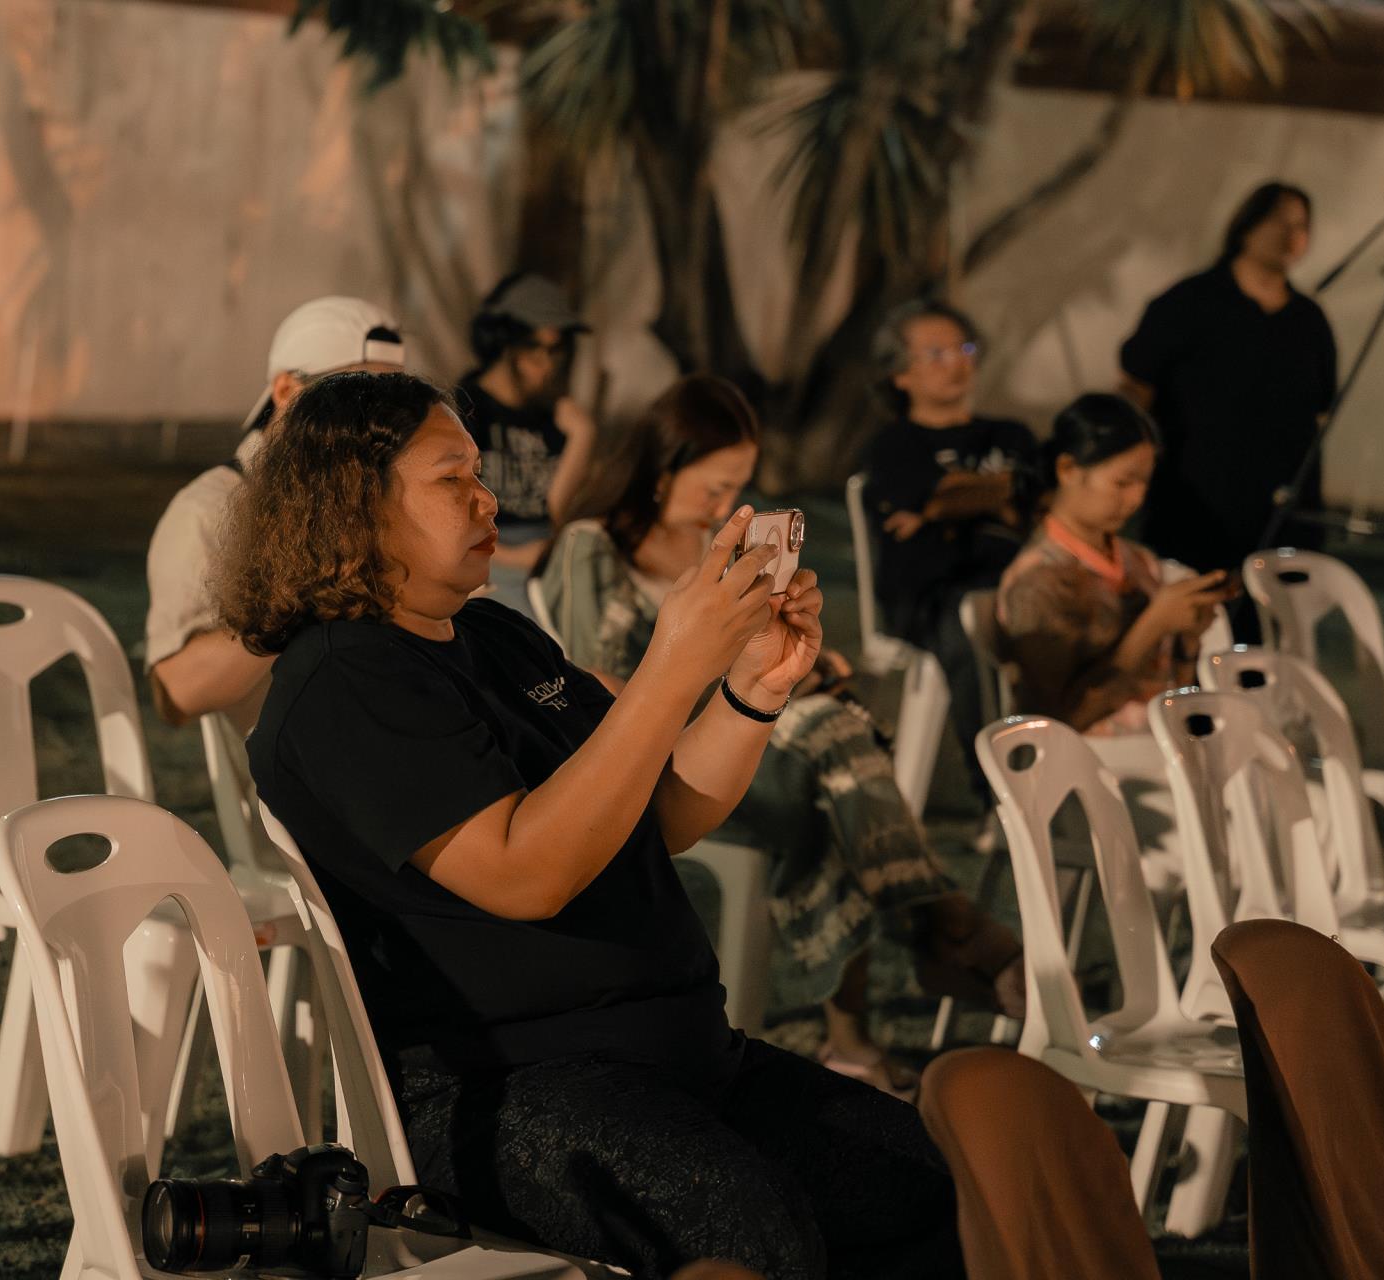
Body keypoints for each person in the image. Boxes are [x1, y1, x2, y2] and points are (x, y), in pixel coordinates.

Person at [217, 371, 963, 1280]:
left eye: (479, 472)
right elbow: (523, 873)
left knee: (927, 1181)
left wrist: (752, 689)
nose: (488, 498)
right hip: (508, 1088)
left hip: (684, 1057)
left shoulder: (497, 637)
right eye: (452, 479)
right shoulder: (345, 680)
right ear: (355, 505)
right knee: (745, 1228)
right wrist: (671, 668)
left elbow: (665, 813)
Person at [537, 374, 1021, 1096]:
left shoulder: (721, 550)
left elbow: (747, 656)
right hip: (665, 755)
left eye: (738, 486)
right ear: (663, 466)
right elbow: (593, 681)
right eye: (714, 485)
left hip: (758, 740)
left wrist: (798, 662)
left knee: (827, 773)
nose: (724, 503)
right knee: (830, 741)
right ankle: (938, 927)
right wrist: (733, 684)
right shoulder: (594, 545)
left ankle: (870, 1015)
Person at [144, 295, 405, 729]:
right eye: (352, 397)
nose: (376, 422)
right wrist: (311, 590)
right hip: (300, 756)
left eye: (393, 403)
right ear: (286, 391)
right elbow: (178, 693)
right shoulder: (210, 508)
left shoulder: (385, 492)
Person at [1120, 181, 1337, 580]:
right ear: (1247, 225)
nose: (1290, 235)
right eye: (1279, 221)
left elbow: (1319, 410)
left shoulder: (1309, 321)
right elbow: (1136, 385)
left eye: (1301, 226)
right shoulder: (1189, 302)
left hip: (1281, 523)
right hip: (1195, 514)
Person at [861, 301, 1035, 765]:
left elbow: (1039, 496)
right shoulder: (895, 444)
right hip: (933, 593)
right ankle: (998, 782)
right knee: (971, 621)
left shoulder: (1010, 435)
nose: (956, 363)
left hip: (1016, 579)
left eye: (964, 349)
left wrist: (941, 507)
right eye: (936, 354)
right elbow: (944, 495)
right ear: (900, 375)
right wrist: (1000, 493)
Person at [997, 394, 1233, 737]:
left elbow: (1172, 687)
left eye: (1144, 483)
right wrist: (1154, 624)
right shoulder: (1038, 581)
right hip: (1095, 759)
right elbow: (1052, 722)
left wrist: (1187, 638)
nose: (1136, 499)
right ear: (1067, 469)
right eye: (1122, 482)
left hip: (1160, 744)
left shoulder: (1138, 560)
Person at [454, 273, 598, 610]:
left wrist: (582, 439)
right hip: (487, 554)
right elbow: (452, 515)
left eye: (556, 350)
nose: (546, 364)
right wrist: (514, 557)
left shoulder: (555, 417)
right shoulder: (463, 410)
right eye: (534, 348)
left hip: (547, 558)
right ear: (504, 344)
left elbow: (557, 511)